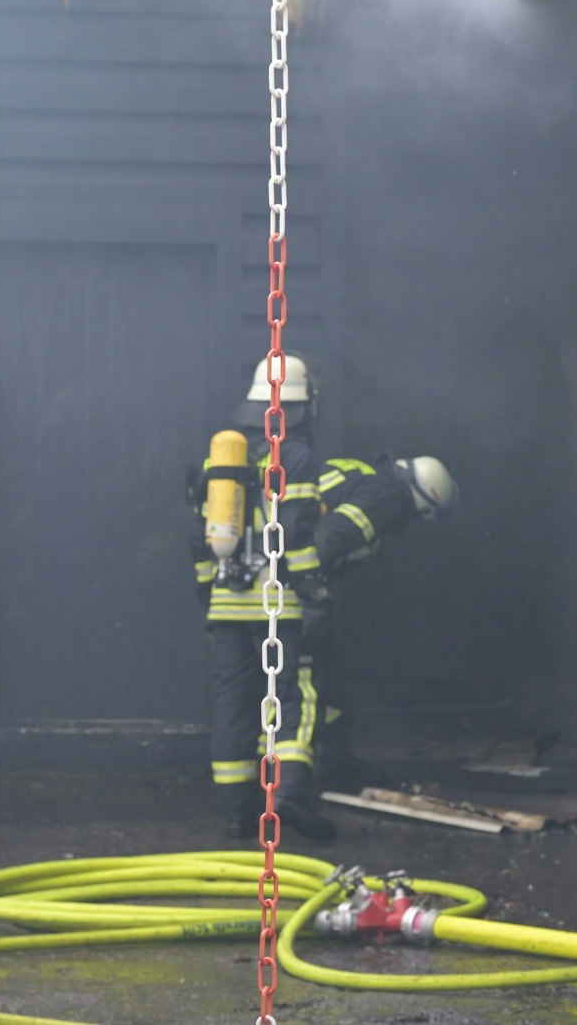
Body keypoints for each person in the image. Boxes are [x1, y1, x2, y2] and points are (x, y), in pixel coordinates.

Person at [189, 352, 335, 841]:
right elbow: (295, 529)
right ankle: (291, 795)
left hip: (225, 605)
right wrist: (312, 586)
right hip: (276, 604)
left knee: (232, 707)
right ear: (299, 407)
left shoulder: (220, 456)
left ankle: (235, 814)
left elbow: (199, 535)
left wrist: (209, 588)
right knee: (294, 698)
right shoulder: (293, 457)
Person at [301, 453, 458, 788]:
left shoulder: (367, 473)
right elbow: (327, 540)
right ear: (419, 503)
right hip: (289, 589)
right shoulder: (387, 497)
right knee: (307, 683)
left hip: (273, 572)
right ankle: (305, 775)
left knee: (325, 678)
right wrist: (313, 591)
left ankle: (331, 761)